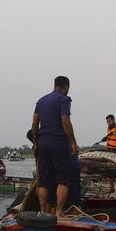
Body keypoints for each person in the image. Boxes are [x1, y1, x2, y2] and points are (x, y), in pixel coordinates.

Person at [31, 75, 79, 219]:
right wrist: (73, 143)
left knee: (44, 180)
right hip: (58, 141)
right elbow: (65, 121)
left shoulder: (41, 100)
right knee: (62, 179)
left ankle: (43, 212)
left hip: (43, 141)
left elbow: (34, 124)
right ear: (66, 87)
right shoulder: (63, 99)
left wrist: (35, 143)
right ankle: (58, 212)